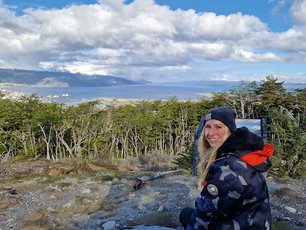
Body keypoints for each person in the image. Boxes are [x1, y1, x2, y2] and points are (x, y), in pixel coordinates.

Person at [179, 106, 274, 230]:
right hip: (255, 223)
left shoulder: (228, 167)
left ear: (230, 130)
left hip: (241, 224)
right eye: (208, 127)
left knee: (185, 214)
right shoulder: (243, 153)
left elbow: (205, 216)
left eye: (218, 127)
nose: (211, 133)